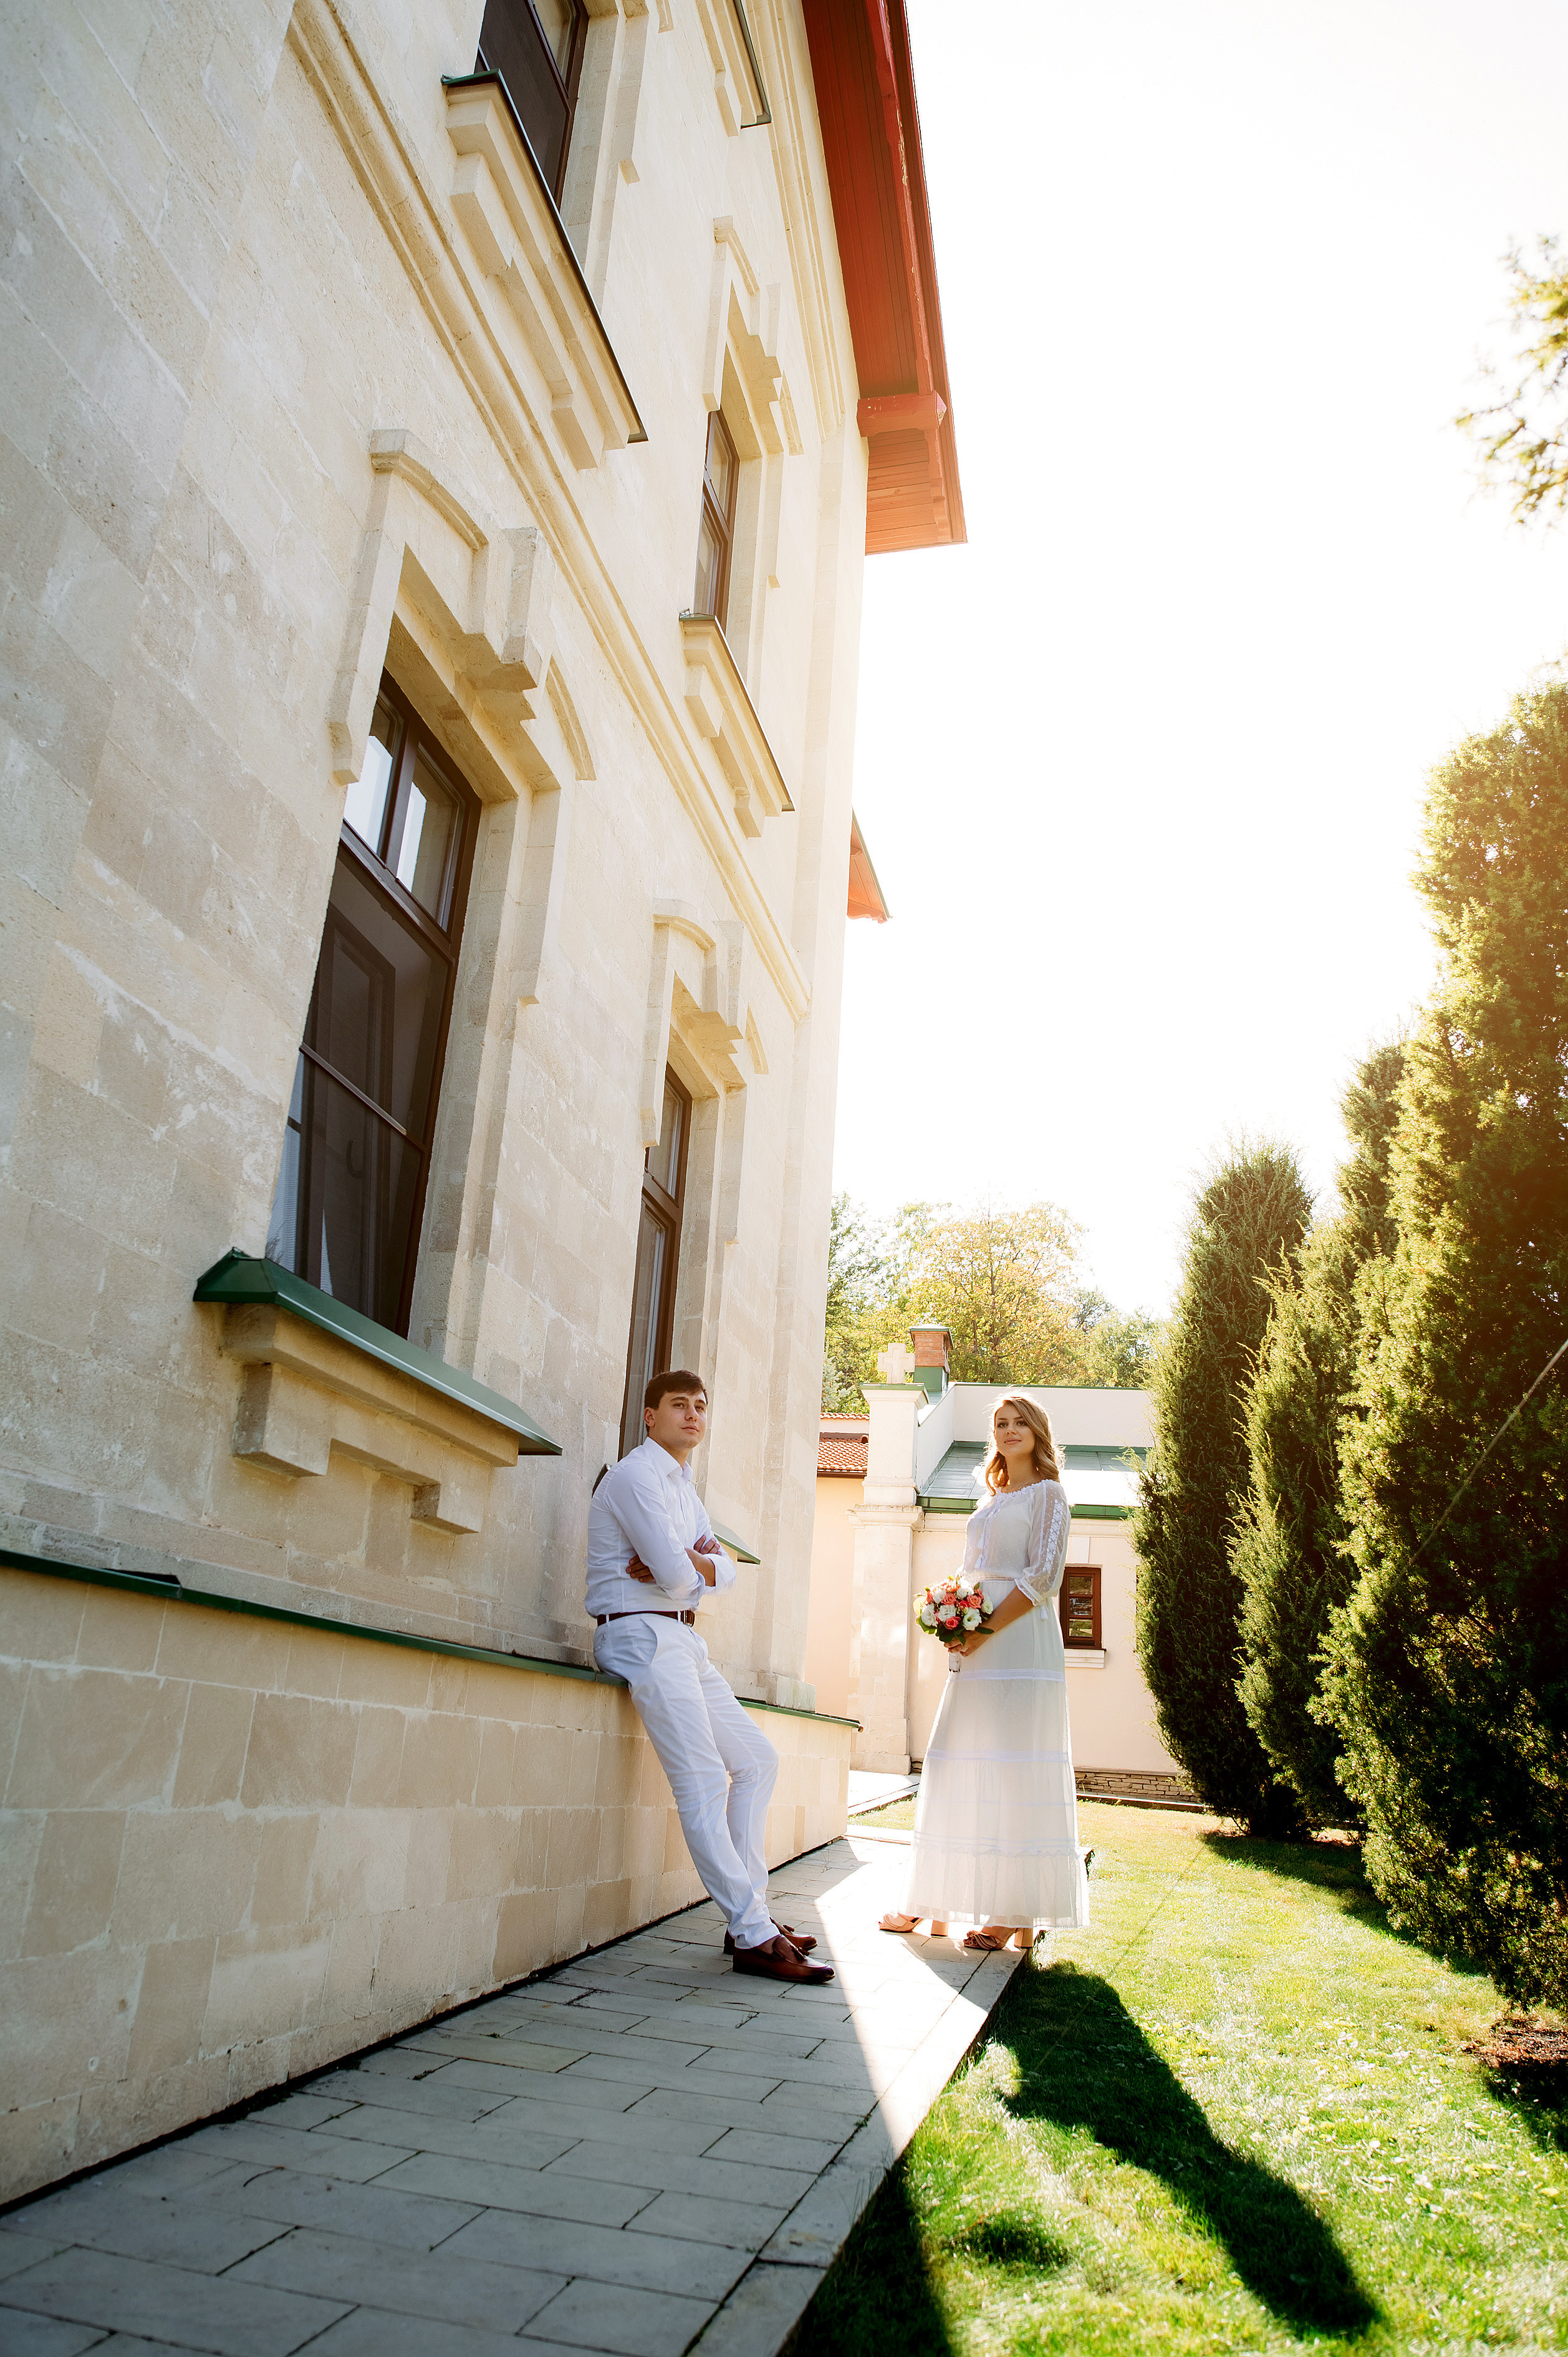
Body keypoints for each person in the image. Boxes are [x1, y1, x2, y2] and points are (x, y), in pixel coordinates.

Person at [588, 1369, 834, 1983]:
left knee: (757, 1761)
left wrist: (690, 1560)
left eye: (700, 1406)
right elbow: (677, 1575)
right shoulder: (635, 1477)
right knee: (703, 1781)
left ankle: (746, 1918)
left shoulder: (680, 1486)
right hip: (638, 1631)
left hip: (681, 1636)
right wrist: (693, 1564)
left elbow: (716, 1570)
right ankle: (753, 1936)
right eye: (679, 1405)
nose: (693, 1415)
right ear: (650, 1415)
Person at [879, 1395, 1089, 1951]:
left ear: (1039, 1432)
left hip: (1018, 1644)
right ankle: (932, 1903)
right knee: (954, 1758)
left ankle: (1010, 1909)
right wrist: (950, 1612)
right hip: (976, 1646)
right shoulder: (992, 1497)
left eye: (1021, 1422)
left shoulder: (1050, 1495)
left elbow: (1044, 1576)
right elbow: (977, 1568)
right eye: (1001, 1423)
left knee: (1011, 1768)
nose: (1010, 1430)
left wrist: (984, 1628)